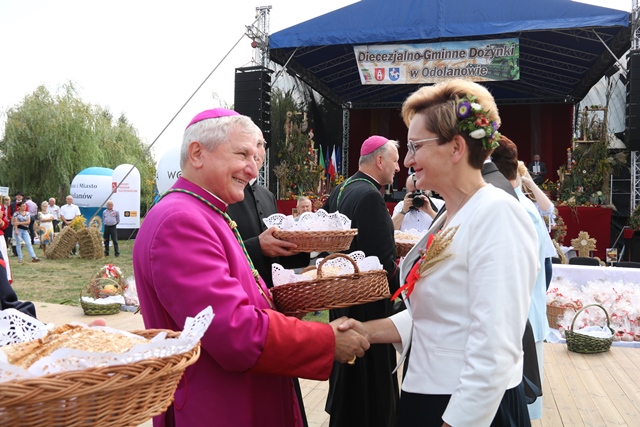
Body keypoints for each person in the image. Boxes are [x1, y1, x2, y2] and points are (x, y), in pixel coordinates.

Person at [133, 108, 369, 427]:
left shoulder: (205, 211)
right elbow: (234, 330)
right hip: (218, 407)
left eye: (255, 157)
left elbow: (241, 301)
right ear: (197, 153)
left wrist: (295, 300)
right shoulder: (180, 221)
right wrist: (326, 340)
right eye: (242, 154)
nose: (252, 168)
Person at [340, 80, 539, 427]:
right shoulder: (451, 214)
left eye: (415, 146)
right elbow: (440, 316)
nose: (407, 160)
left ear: (456, 147)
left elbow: (496, 346)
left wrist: (459, 420)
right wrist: (367, 331)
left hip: (466, 408)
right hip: (431, 396)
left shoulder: (498, 213)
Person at [322, 135, 401, 427]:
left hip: (341, 299)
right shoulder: (370, 196)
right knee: (371, 394)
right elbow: (383, 262)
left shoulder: (341, 189)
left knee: (348, 384)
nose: (398, 168)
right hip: (368, 308)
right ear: (379, 161)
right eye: (394, 161)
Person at [491, 135, 550, 421]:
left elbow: (536, 268)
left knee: (521, 405)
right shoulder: (517, 205)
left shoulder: (516, 207)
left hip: (522, 318)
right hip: (522, 315)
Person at [226, 141, 308, 289]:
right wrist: (257, 247)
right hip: (237, 288)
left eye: (261, 144)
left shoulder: (268, 196)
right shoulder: (224, 194)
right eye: (253, 143)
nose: (257, 150)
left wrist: (303, 246)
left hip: (270, 292)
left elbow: (276, 258)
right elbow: (217, 255)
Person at [0, 201, 11, 283]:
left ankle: (5, 278)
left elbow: (4, 224)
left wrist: (1, 221)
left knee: (3, 257)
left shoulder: (0, 206)